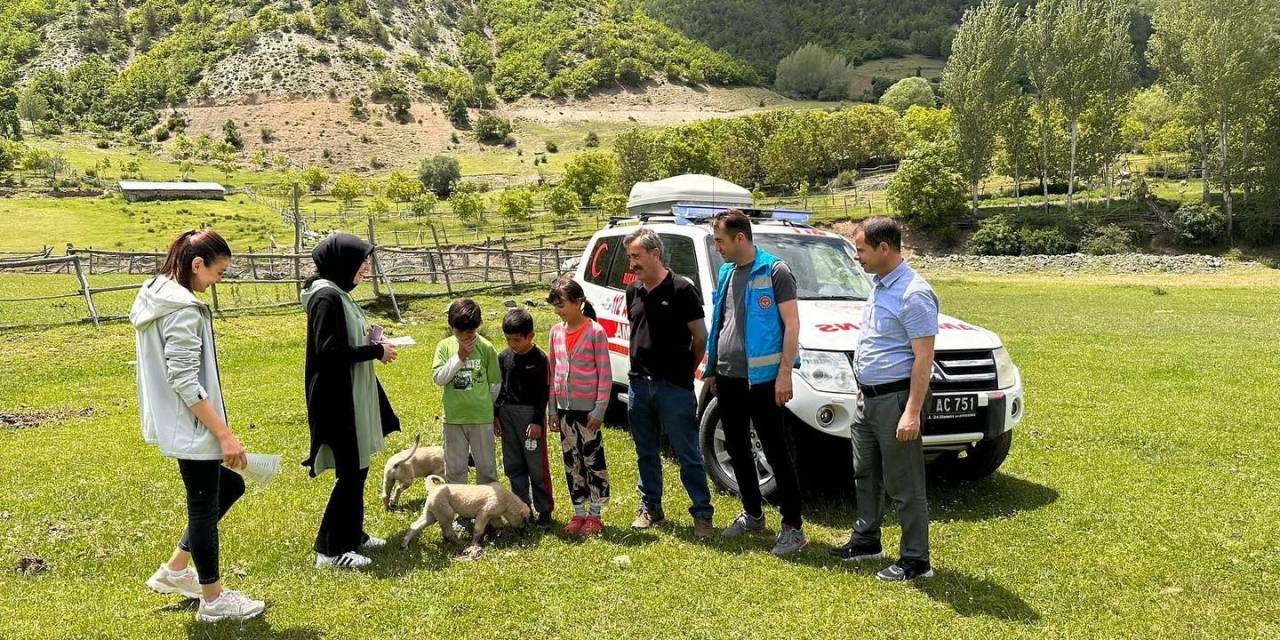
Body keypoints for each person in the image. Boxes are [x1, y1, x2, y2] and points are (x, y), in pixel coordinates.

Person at [133, 229, 265, 622]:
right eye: (218, 272)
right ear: (196, 265)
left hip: (177, 422)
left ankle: (174, 571)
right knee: (204, 507)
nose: (219, 280)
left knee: (230, 487)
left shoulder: (155, 294)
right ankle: (213, 600)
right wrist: (223, 434)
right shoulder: (184, 309)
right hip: (192, 425)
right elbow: (184, 379)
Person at [829, 216, 938, 582]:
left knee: (904, 485)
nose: (857, 256)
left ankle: (915, 561)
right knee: (865, 473)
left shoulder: (914, 293)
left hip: (896, 402)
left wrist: (911, 411)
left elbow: (924, 357)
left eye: (861, 249)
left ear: (884, 248)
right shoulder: (879, 285)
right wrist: (862, 384)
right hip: (869, 399)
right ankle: (866, 540)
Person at [703, 209, 807, 556]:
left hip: (763, 380)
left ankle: (793, 527)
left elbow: (791, 326)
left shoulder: (775, 271)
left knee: (775, 450)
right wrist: (715, 368)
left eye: (720, 240)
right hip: (729, 377)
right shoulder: (727, 271)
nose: (717, 246)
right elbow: (722, 320)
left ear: (740, 238)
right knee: (736, 446)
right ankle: (753, 514)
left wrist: (784, 373)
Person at [301, 233, 401, 570]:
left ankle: (352, 533)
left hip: (350, 393)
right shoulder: (326, 297)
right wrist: (375, 350)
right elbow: (328, 351)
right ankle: (329, 550)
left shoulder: (337, 293)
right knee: (350, 471)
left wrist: (369, 339)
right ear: (343, 262)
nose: (366, 268)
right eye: (362, 261)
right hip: (337, 399)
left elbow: (341, 340)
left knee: (358, 467)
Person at [621, 228, 715, 538]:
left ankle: (702, 513)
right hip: (639, 385)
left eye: (637, 256)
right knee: (645, 451)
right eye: (630, 256)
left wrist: (685, 371)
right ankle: (651, 508)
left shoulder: (681, 290)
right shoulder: (633, 291)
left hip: (673, 386)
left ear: (655, 254)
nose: (632, 263)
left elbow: (700, 338)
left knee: (688, 452)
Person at [546, 276, 613, 536]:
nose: (558, 310)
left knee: (592, 460)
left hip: (588, 412)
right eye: (555, 305)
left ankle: (596, 514)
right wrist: (553, 409)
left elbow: (605, 375)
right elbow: (552, 373)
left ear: (578, 302)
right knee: (571, 461)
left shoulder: (595, 332)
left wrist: (599, 409)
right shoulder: (555, 332)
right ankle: (578, 511)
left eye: (562, 304)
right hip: (564, 410)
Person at [494, 308, 555, 529]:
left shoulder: (540, 359)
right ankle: (522, 509)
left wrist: (538, 420)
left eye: (517, 339)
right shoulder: (503, 357)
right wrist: (496, 415)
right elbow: (498, 389)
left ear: (530, 336)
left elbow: (543, 393)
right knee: (513, 464)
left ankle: (544, 510)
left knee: (536, 466)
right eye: (508, 339)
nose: (512, 344)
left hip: (529, 418)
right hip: (507, 416)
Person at [432, 298, 502, 488]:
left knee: (486, 468)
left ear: (478, 326)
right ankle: (460, 512)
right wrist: (459, 357)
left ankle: (488, 510)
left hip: (481, 417)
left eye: (469, 332)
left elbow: (495, 384)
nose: (464, 337)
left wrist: (485, 404)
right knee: (455, 468)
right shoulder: (445, 346)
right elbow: (439, 378)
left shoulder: (486, 348)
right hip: (454, 418)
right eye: (459, 332)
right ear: (451, 327)